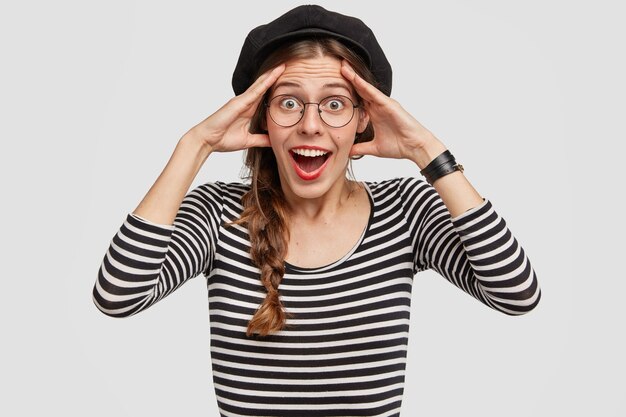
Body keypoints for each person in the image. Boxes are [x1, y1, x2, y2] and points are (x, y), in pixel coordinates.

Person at [93, 5, 541, 416]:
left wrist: (428, 151)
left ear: (363, 118)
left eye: (334, 104)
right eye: (288, 102)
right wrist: (195, 146)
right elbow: (117, 296)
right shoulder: (219, 215)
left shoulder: (406, 210)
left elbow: (517, 294)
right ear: (262, 116)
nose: (310, 124)